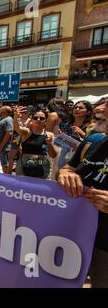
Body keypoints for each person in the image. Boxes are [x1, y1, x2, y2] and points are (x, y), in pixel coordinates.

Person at [57, 99, 108, 288]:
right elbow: (67, 168)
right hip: (75, 235)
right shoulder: (93, 141)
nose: (99, 109)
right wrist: (64, 173)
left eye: (107, 105)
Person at [13, 107, 57, 179]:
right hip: (24, 163)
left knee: (40, 188)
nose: (38, 120)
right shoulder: (27, 132)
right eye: (35, 118)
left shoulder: (49, 135)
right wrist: (15, 117)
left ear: (46, 120)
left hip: (42, 165)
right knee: (21, 187)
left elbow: (53, 155)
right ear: (32, 119)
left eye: (42, 118)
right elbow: (17, 128)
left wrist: (50, 144)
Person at [0, 106, 14, 173]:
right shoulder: (0, 119)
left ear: (4, 111)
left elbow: (9, 133)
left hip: (4, 148)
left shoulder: (8, 119)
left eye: (1, 109)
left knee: (5, 167)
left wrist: (1, 146)